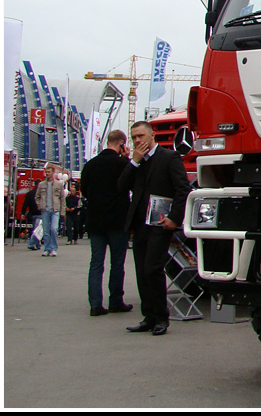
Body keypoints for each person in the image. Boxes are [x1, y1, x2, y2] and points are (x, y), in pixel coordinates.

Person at [119, 121, 190, 336]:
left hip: (160, 223)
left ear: (152, 136)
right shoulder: (137, 162)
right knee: (141, 272)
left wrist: (174, 218)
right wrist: (134, 162)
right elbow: (121, 186)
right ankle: (148, 316)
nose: (137, 141)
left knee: (152, 268)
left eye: (141, 136)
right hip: (140, 224)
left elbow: (182, 189)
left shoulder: (169, 158)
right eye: (133, 138)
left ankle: (161, 317)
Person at [81, 130, 134, 317]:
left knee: (96, 262)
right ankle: (115, 301)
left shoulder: (90, 165)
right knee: (117, 263)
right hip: (117, 221)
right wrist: (127, 160)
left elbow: (85, 191)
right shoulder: (122, 164)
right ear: (121, 144)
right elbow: (131, 184)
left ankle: (95, 304)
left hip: (95, 220)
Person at [35, 163, 66, 257]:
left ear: (53, 173)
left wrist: (62, 211)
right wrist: (40, 205)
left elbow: (62, 198)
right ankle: (47, 249)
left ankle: (54, 248)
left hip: (55, 210)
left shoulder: (59, 184)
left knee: (54, 229)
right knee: (46, 230)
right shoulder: (41, 184)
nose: (47, 173)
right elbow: (37, 196)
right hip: (45, 209)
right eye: (46, 172)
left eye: (48, 172)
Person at [23, 180, 42, 251]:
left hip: (32, 213)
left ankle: (37, 244)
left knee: (37, 228)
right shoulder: (41, 194)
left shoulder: (30, 193)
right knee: (37, 229)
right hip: (40, 213)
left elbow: (25, 203)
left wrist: (23, 212)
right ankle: (31, 244)